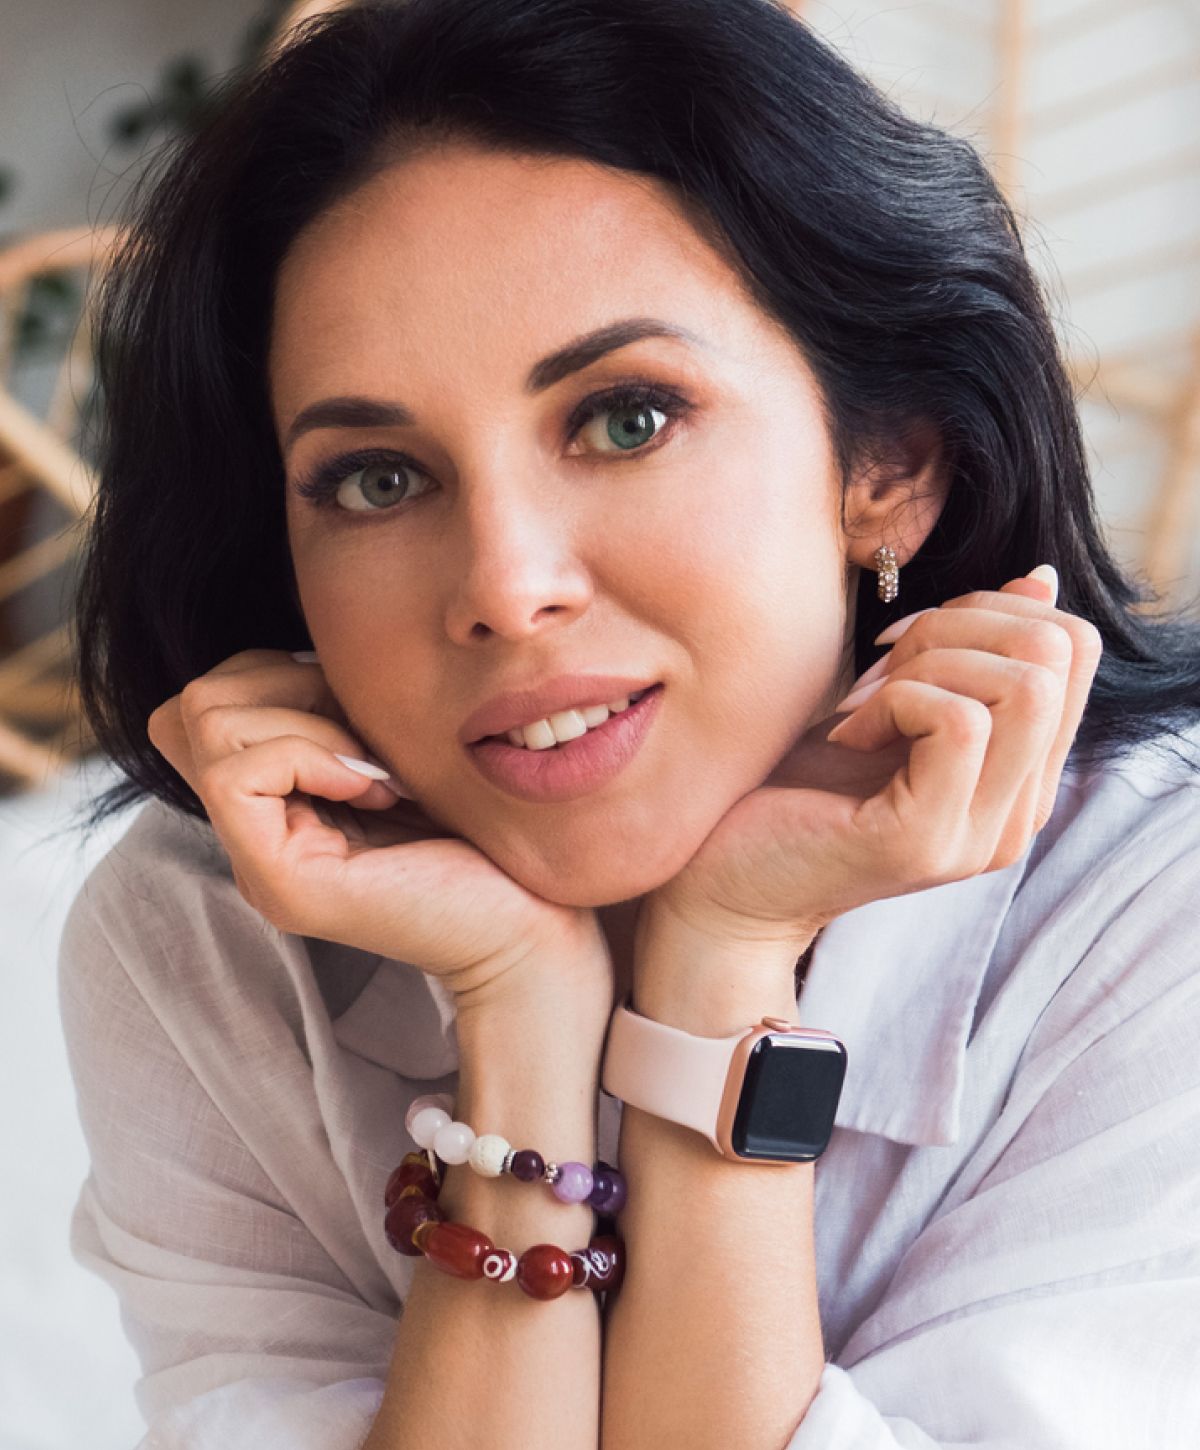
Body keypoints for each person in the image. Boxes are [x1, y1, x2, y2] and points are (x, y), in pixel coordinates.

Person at [59, 1, 1200, 1446]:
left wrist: (717, 982)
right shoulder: (201, 941)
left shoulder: (1157, 916)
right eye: (376, 480)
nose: (504, 587)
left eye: (627, 418)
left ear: (890, 465)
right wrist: (521, 1010)